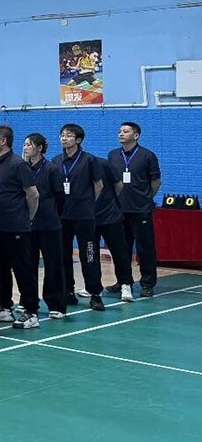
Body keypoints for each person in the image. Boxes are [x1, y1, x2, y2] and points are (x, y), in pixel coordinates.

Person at [0, 125, 40, 329]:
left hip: (16, 228)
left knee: (22, 270)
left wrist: (27, 219)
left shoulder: (18, 164)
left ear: (3, 141)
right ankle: (5, 307)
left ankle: (31, 311)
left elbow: (33, 194)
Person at [52, 123, 105, 310]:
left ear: (78, 140)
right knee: (63, 255)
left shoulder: (89, 160)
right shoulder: (56, 161)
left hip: (84, 216)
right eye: (62, 135)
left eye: (68, 135)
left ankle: (95, 293)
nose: (64, 138)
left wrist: (87, 204)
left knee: (89, 255)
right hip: (62, 216)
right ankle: (68, 291)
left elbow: (99, 186)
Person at [107, 122, 161, 298]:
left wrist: (145, 198)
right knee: (121, 249)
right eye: (120, 131)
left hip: (141, 209)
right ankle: (124, 281)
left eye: (126, 131)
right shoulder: (113, 155)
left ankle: (147, 283)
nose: (121, 133)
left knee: (145, 248)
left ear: (136, 135)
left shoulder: (147, 156)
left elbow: (156, 182)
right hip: (119, 210)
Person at [22, 133, 67, 319]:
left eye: (29, 144)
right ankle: (28, 302)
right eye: (24, 144)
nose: (25, 148)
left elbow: (60, 196)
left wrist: (53, 213)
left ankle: (56, 304)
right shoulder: (22, 167)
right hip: (27, 224)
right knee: (28, 265)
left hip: (48, 224)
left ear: (39, 148)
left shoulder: (51, 168)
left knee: (53, 265)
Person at [94, 156, 133, 303]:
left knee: (119, 252)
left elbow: (119, 185)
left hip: (110, 216)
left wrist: (110, 202)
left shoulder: (103, 164)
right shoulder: (71, 166)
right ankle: (93, 286)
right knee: (90, 254)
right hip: (89, 217)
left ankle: (125, 284)